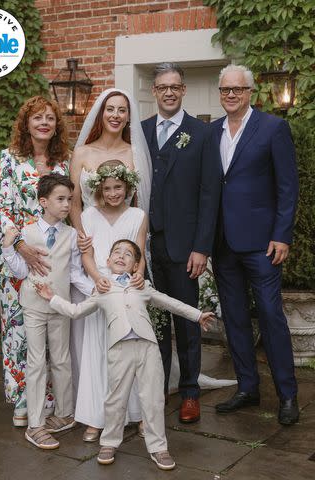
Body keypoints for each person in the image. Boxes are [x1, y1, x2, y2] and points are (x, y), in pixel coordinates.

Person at [35, 239, 215, 470]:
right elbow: (76, 311)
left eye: (128, 254)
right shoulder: (102, 289)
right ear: (108, 261)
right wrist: (52, 298)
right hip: (119, 350)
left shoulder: (142, 286)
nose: (121, 256)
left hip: (147, 348)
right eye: (116, 253)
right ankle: (109, 442)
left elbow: (169, 303)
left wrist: (197, 315)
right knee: (115, 399)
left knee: (153, 399)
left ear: (135, 265)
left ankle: (159, 448)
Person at [212, 64, 299, 425]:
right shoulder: (211, 131)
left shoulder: (273, 128)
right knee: (234, 319)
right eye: (225, 90)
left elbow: (287, 186)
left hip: (263, 243)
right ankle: (248, 387)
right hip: (223, 243)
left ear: (250, 93)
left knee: (270, 315)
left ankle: (288, 395)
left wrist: (282, 234)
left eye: (237, 89)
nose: (231, 95)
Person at [69, 88, 152, 441]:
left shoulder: (135, 153)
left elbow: (141, 209)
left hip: (126, 248)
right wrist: (82, 236)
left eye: (122, 110)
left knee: (128, 338)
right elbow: (74, 201)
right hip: (92, 242)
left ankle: (132, 410)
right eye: (110, 109)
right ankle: (93, 413)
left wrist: (140, 264)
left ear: (128, 116)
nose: (115, 115)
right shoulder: (83, 152)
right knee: (92, 340)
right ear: (100, 114)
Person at [142, 62, 222, 423]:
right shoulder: (140, 131)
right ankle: (160, 383)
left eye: (175, 86)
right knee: (154, 320)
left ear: (183, 90)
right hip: (146, 246)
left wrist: (202, 247)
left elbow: (209, 194)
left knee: (187, 321)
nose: (169, 92)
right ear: (155, 91)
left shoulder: (201, 133)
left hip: (184, 247)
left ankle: (190, 391)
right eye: (162, 87)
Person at [0, 96, 70, 427]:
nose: (44, 123)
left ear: (56, 126)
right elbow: (3, 206)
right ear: (27, 123)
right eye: (37, 117)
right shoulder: (9, 159)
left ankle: (48, 398)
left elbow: (70, 207)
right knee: (18, 330)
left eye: (50, 118)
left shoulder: (63, 161)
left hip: (53, 256)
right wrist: (20, 245)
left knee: (51, 327)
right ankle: (21, 399)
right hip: (17, 255)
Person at [1, 174, 93, 449]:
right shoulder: (26, 234)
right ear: (43, 202)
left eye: (69, 200)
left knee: (63, 360)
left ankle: (64, 414)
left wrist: (98, 291)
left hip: (60, 305)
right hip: (34, 306)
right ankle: (36, 424)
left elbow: (75, 274)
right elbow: (19, 270)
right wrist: (8, 248)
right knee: (37, 362)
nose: (67, 205)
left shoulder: (70, 235)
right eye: (61, 200)